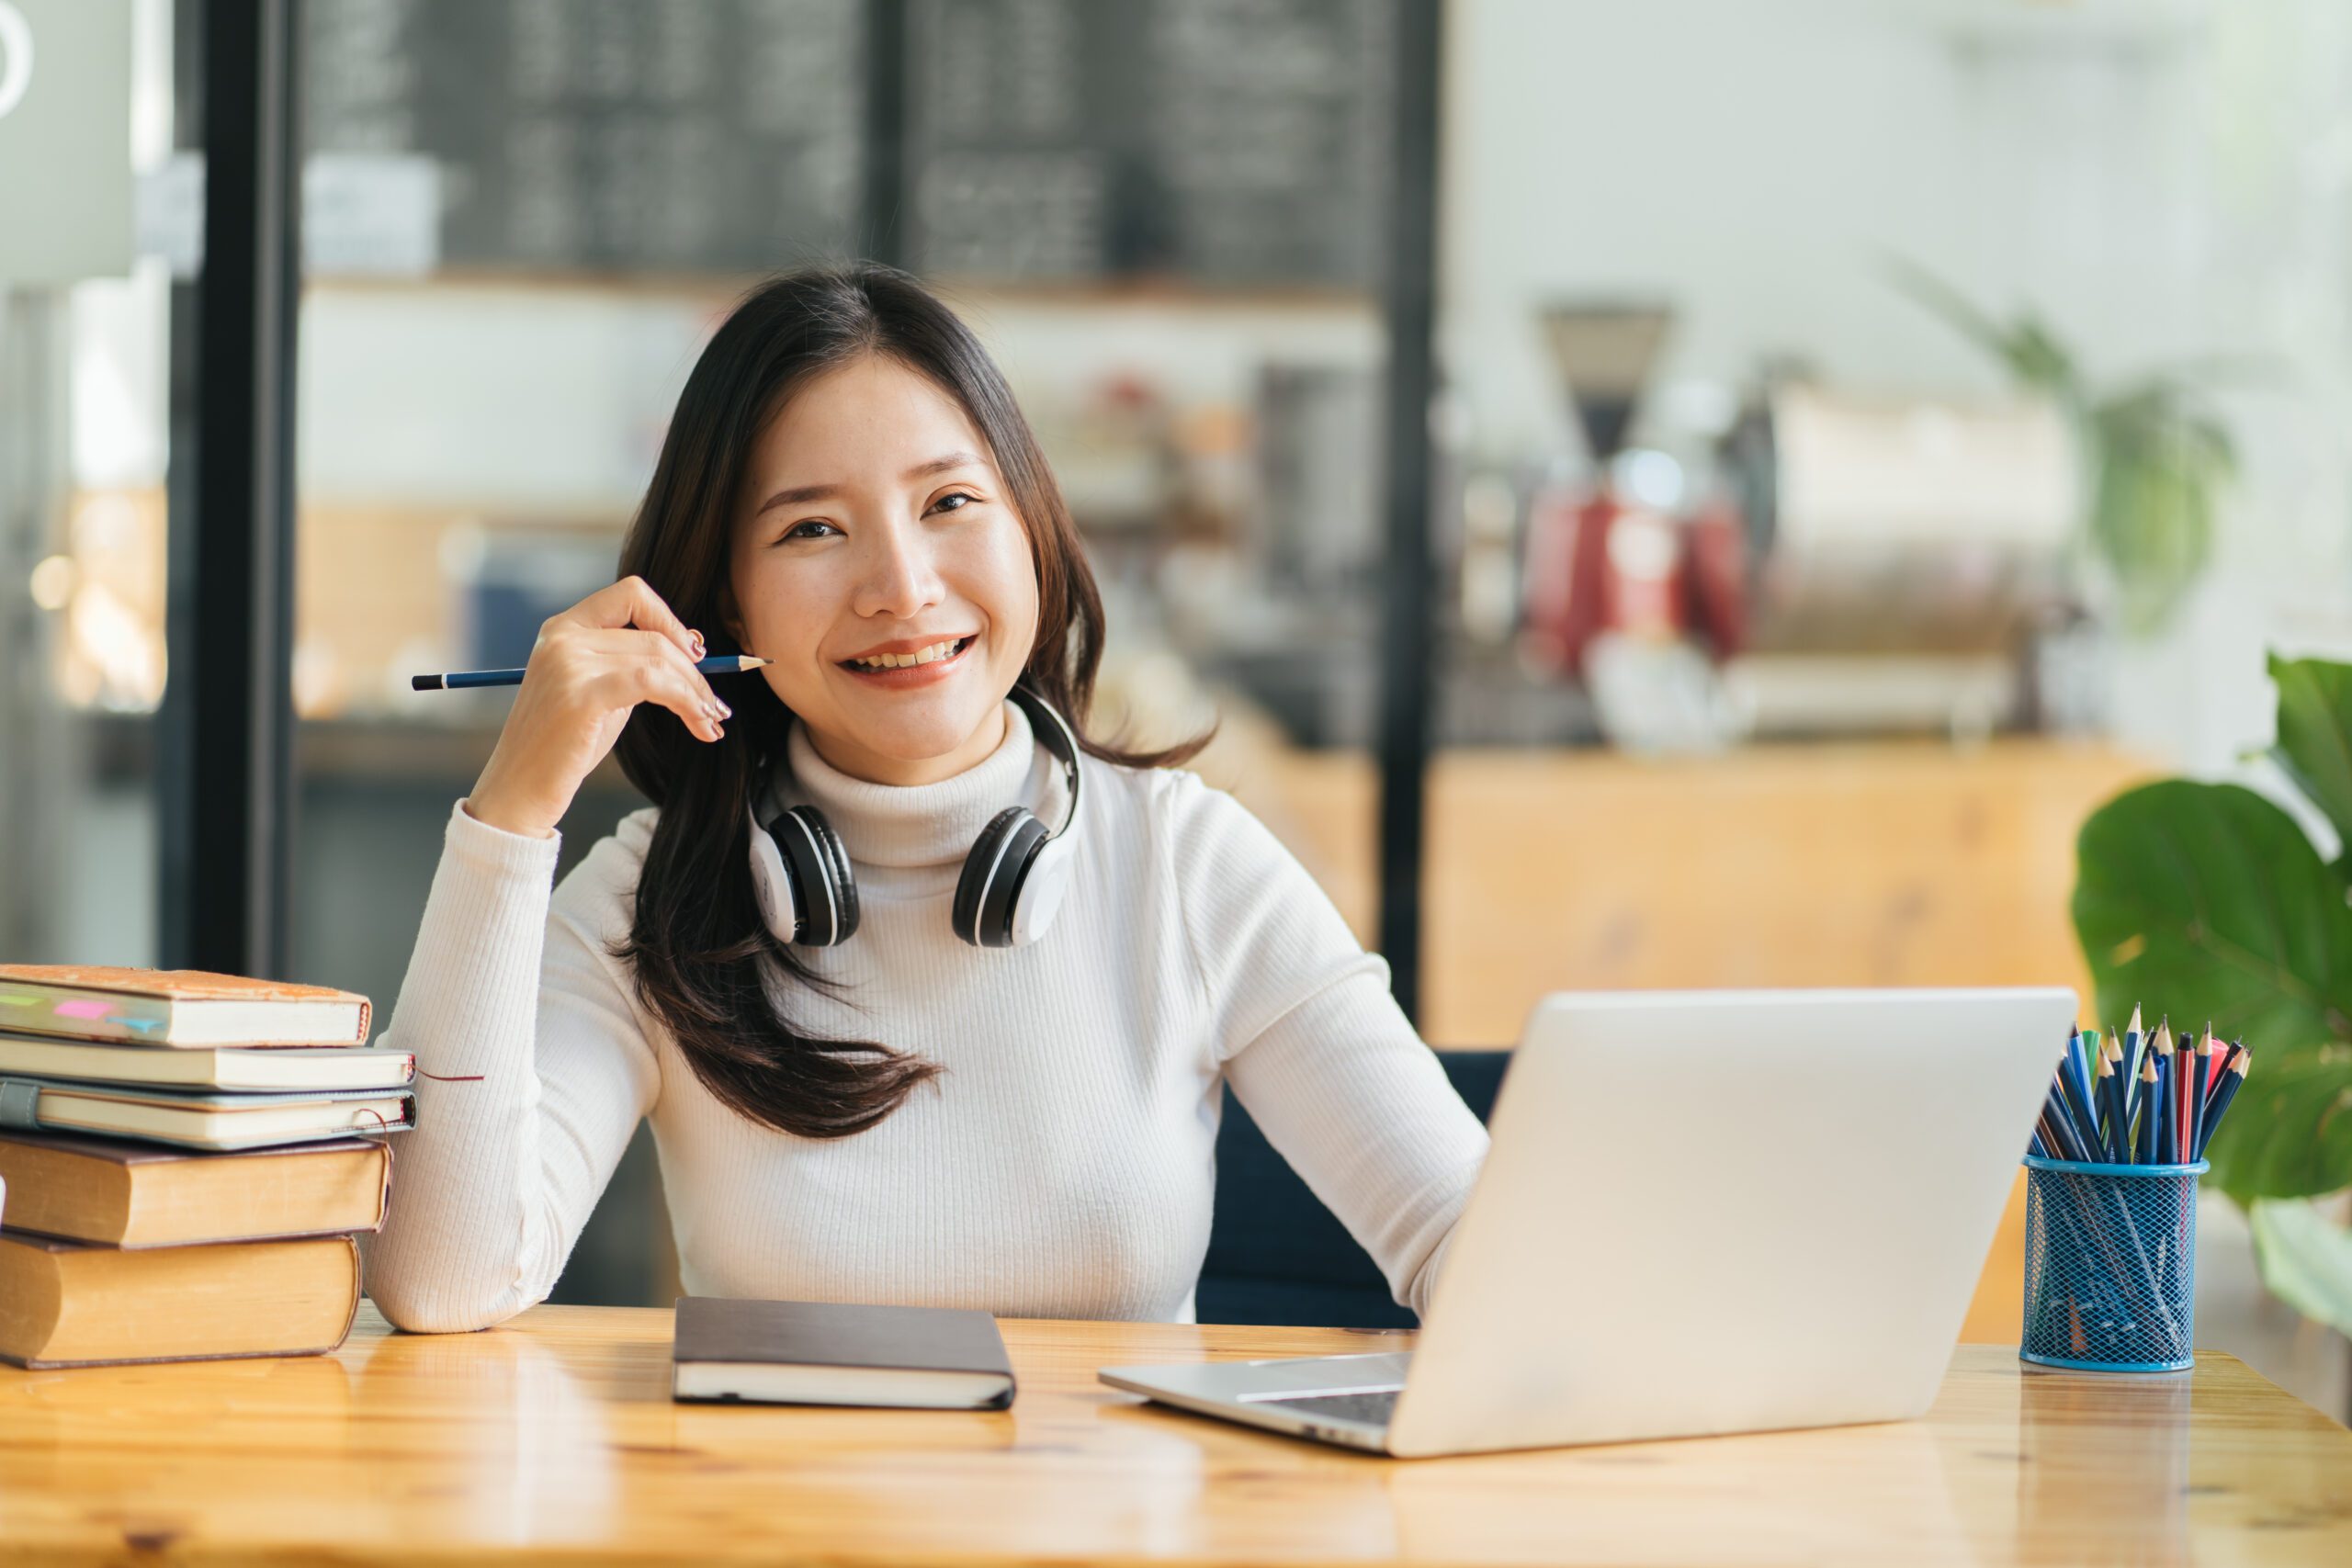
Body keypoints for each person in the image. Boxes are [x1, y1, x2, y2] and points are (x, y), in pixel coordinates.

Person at [365, 263, 1489, 1332]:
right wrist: (512, 813)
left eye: (949, 501)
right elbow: (441, 1278)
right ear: (725, 609)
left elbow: (1481, 1254)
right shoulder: (651, 896)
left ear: (1031, 528)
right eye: (812, 528)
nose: (901, 590)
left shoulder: (1186, 864)